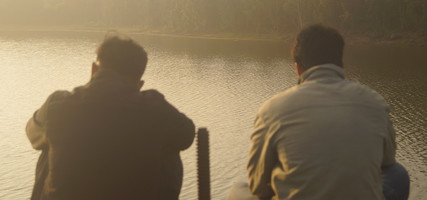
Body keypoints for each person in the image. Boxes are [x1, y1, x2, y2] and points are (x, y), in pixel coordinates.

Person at [229, 24, 410, 200]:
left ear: (297, 67)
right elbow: (387, 162)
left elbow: (258, 186)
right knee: (398, 173)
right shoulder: (375, 103)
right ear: (341, 63)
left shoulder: (271, 110)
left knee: (239, 189)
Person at [26, 33, 195, 200]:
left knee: (48, 140)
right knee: (168, 143)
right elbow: (186, 135)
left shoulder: (58, 104)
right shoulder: (155, 108)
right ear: (139, 84)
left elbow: (32, 134)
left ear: (94, 69)